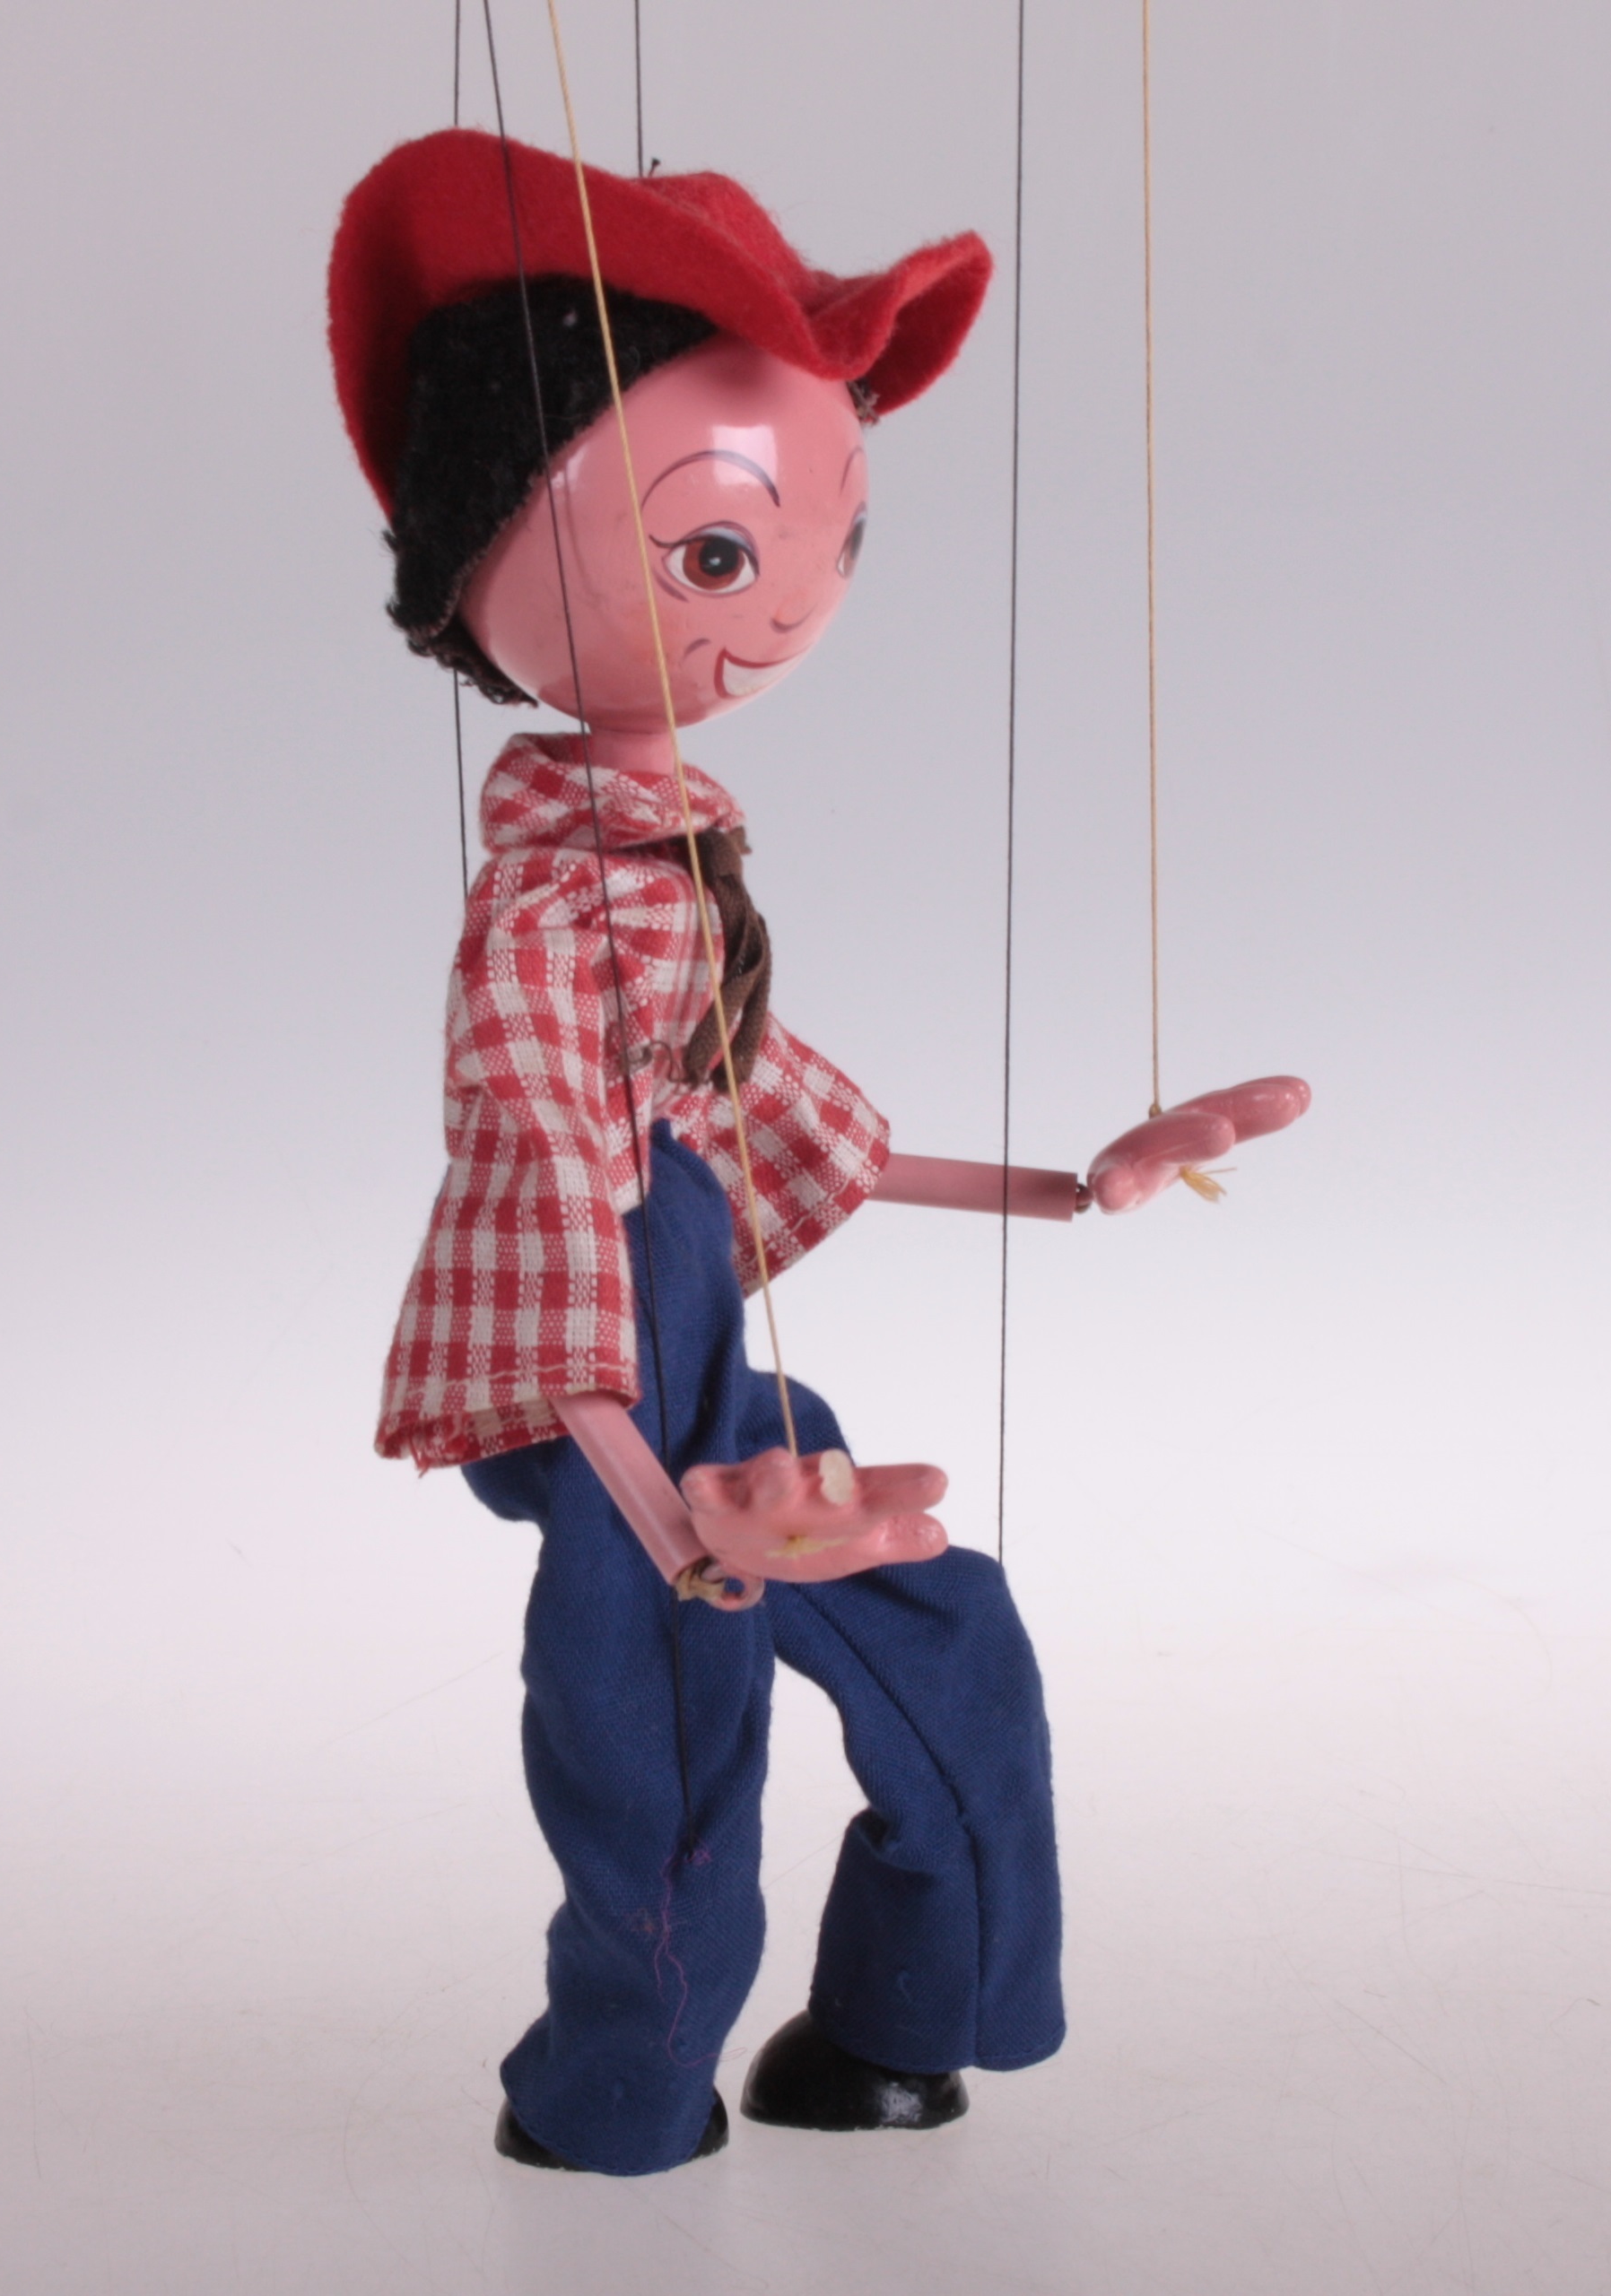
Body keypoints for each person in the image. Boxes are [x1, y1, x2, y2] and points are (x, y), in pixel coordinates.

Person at [326, 128, 1304, 2177]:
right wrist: (676, 1524)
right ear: (486, 543)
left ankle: (898, 2026)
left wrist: (1077, 1182)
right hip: (631, 1432)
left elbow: (760, 1103)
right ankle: (619, 2101)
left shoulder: (669, 881)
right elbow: (550, 1210)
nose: (780, 612)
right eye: (714, 553)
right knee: (665, 1775)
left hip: (734, 1414)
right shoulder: (544, 921)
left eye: (828, 542)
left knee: (953, 1642)